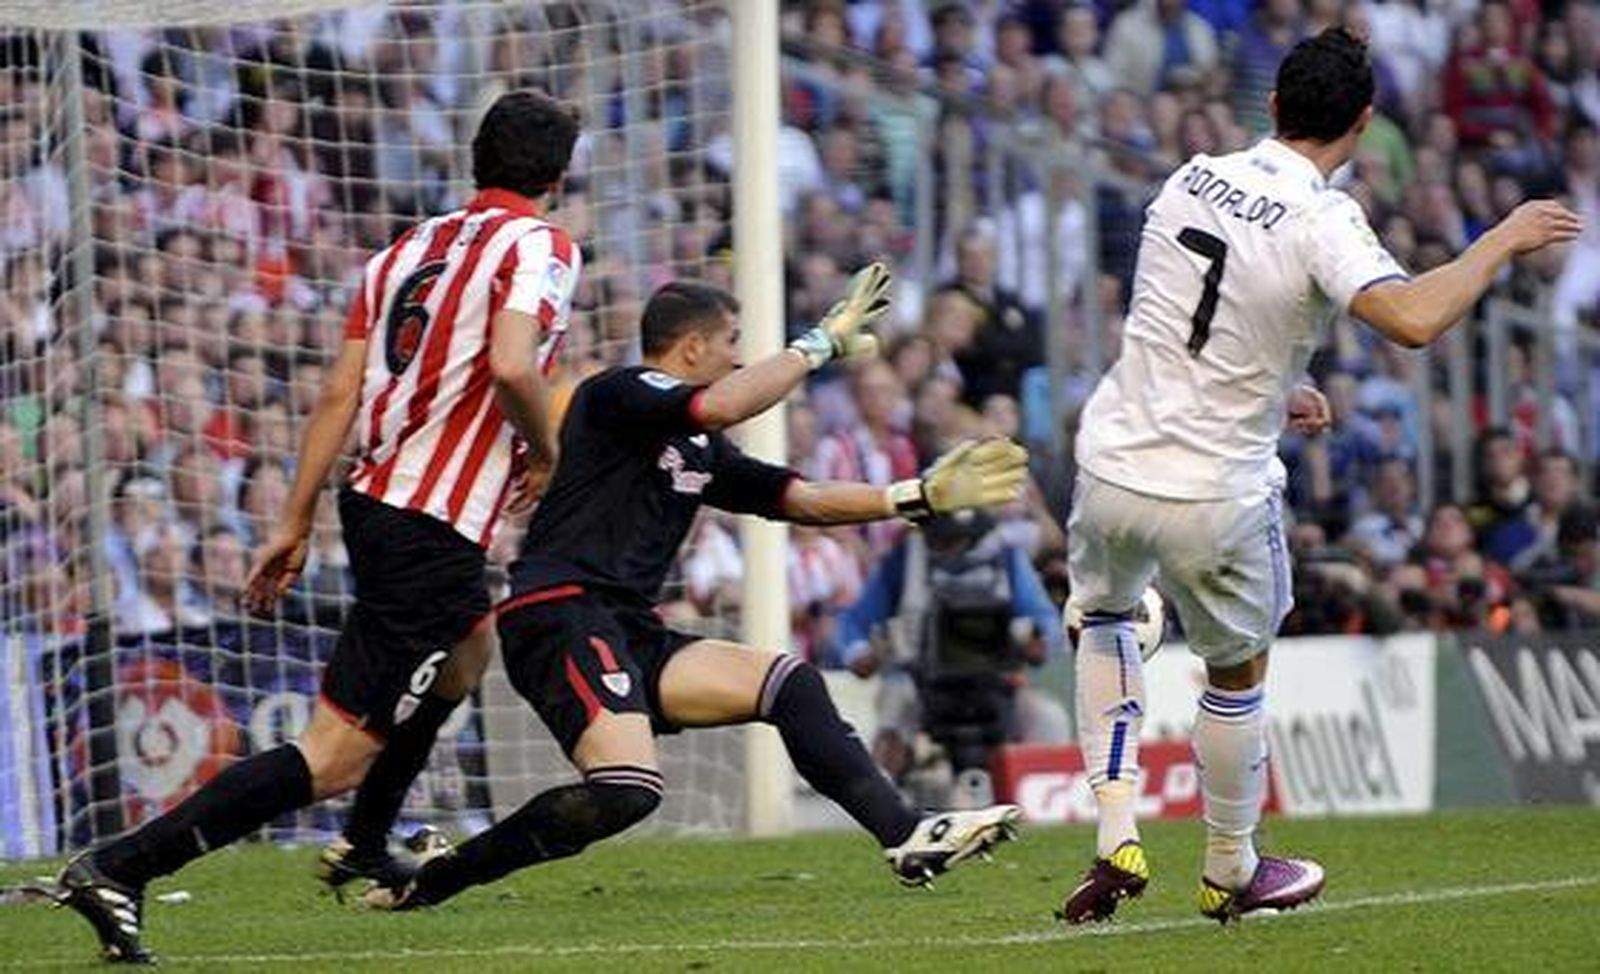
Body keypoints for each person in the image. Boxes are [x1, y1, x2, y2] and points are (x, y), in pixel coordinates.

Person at [1057, 28, 1581, 927]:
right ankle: (1231, 864)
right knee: (1235, 670)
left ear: (1271, 105)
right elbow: (1412, 320)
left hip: (1110, 460)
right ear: (1365, 121)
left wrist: (1278, 383)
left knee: (1105, 616)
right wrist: (1499, 240)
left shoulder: (1189, 175)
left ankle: (1114, 831)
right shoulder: (1321, 215)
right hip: (1215, 491)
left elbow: (1180, 319)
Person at [55, 89, 584, 963]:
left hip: (373, 499)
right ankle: (120, 867)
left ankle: (366, 842)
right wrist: (548, 447)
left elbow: (339, 392)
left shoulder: (402, 251)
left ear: (476, 160)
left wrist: (293, 520)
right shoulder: (542, 244)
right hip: (428, 516)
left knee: (469, 648)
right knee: (333, 754)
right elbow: (513, 364)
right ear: (559, 176)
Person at [362, 267, 1029, 911]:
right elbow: (722, 401)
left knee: (788, 683)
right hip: (561, 610)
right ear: (692, 346)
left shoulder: (701, 446)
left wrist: (913, 496)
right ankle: (439, 879)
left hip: (629, 628)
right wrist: (817, 344)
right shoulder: (617, 393)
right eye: (732, 342)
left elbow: (802, 498)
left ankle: (906, 834)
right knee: (627, 789)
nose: (739, 359)